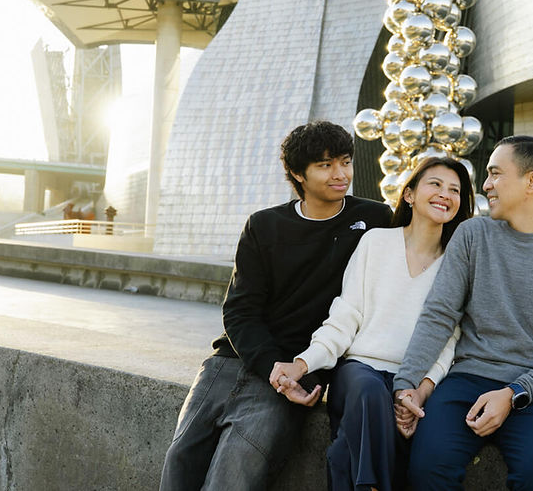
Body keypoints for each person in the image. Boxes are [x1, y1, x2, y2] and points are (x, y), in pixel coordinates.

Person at [159, 120, 392, 491]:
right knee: (180, 463)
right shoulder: (264, 226)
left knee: (233, 475)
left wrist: (297, 372)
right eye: (325, 165)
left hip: (299, 370)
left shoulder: (377, 220)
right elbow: (239, 310)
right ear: (298, 174)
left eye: (345, 162)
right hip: (231, 361)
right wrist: (271, 366)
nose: (340, 174)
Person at [393, 136, 533, 490]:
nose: (486, 185)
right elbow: (439, 314)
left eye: (495, 174)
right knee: (426, 470)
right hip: (464, 383)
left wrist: (514, 393)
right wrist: (407, 384)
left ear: (532, 182)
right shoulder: (473, 234)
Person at [270, 156, 473, 490]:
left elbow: (449, 342)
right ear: (409, 194)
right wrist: (303, 363)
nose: (445, 194)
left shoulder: (458, 264)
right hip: (360, 371)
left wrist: (420, 392)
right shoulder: (376, 242)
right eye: (435, 184)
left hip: (415, 379)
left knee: (359, 432)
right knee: (370, 394)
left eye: (455, 190)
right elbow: (344, 317)